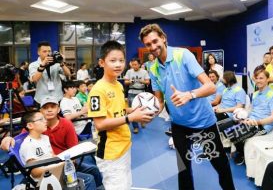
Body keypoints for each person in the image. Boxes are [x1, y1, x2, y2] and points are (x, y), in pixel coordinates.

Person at [139, 23, 235, 190]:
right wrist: (148, 113)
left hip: (203, 123)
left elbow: (211, 87)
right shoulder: (153, 68)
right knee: (183, 170)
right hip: (179, 125)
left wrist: (189, 95)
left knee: (220, 165)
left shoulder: (183, 55)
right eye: (148, 44)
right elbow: (159, 101)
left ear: (163, 38)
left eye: (155, 41)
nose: (153, 47)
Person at [87, 40, 154, 190]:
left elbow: (120, 110)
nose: (118, 64)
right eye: (113, 60)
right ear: (102, 62)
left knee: (126, 185)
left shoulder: (118, 84)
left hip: (124, 145)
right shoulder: (97, 90)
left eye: (121, 60)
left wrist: (135, 110)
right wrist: (131, 118)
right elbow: (100, 124)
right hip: (110, 151)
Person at [1, 96, 102, 189]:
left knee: (94, 170)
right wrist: (8, 138)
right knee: (88, 179)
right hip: (52, 168)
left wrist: (67, 163)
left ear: (58, 109)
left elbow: (72, 151)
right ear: (41, 111)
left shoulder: (48, 134)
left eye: (53, 107)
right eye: (45, 108)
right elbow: (23, 137)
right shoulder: (34, 132)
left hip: (63, 161)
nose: (49, 110)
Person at [231, 66, 273, 165]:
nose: (258, 81)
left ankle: (241, 154)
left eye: (261, 78)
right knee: (229, 127)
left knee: (234, 133)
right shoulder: (255, 94)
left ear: (267, 79)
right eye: (257, 78)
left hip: (263, 126)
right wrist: (242, 115)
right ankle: (240, 150)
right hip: (251, 122)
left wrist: (257, 122)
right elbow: (251, 110)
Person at [29, 41, 71, 106]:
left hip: (57, 97)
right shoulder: (33, 65)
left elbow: (68, 74)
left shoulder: (56, 64)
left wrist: (61, 63)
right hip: (42, 99)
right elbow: (34, 79)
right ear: (38, 52)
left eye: (49, 51)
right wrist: (42, 65)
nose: (48, 53)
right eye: (44, 51)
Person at [19, 111, 55, 178]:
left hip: (54, 173)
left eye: (44, 118)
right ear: (30, 125)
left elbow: (53, 156)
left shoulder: (45, 138)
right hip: (44, 180)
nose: (45, 121)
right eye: (41, 119)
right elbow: (35, 173)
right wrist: (58, 167)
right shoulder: (28, 145)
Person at [124, 58, 150, 133]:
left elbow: (148, 82)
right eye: (132, 65)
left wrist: (143, 81)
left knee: (143, 108)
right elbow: (125, 82)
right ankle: (135, 127)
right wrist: (129, 82)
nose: (134, 66)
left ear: (139, 64)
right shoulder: (129, 71)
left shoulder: (144, 72)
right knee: (132, 110)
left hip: (141, 92)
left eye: (135, 64)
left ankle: (142, 120)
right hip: (131, 91)